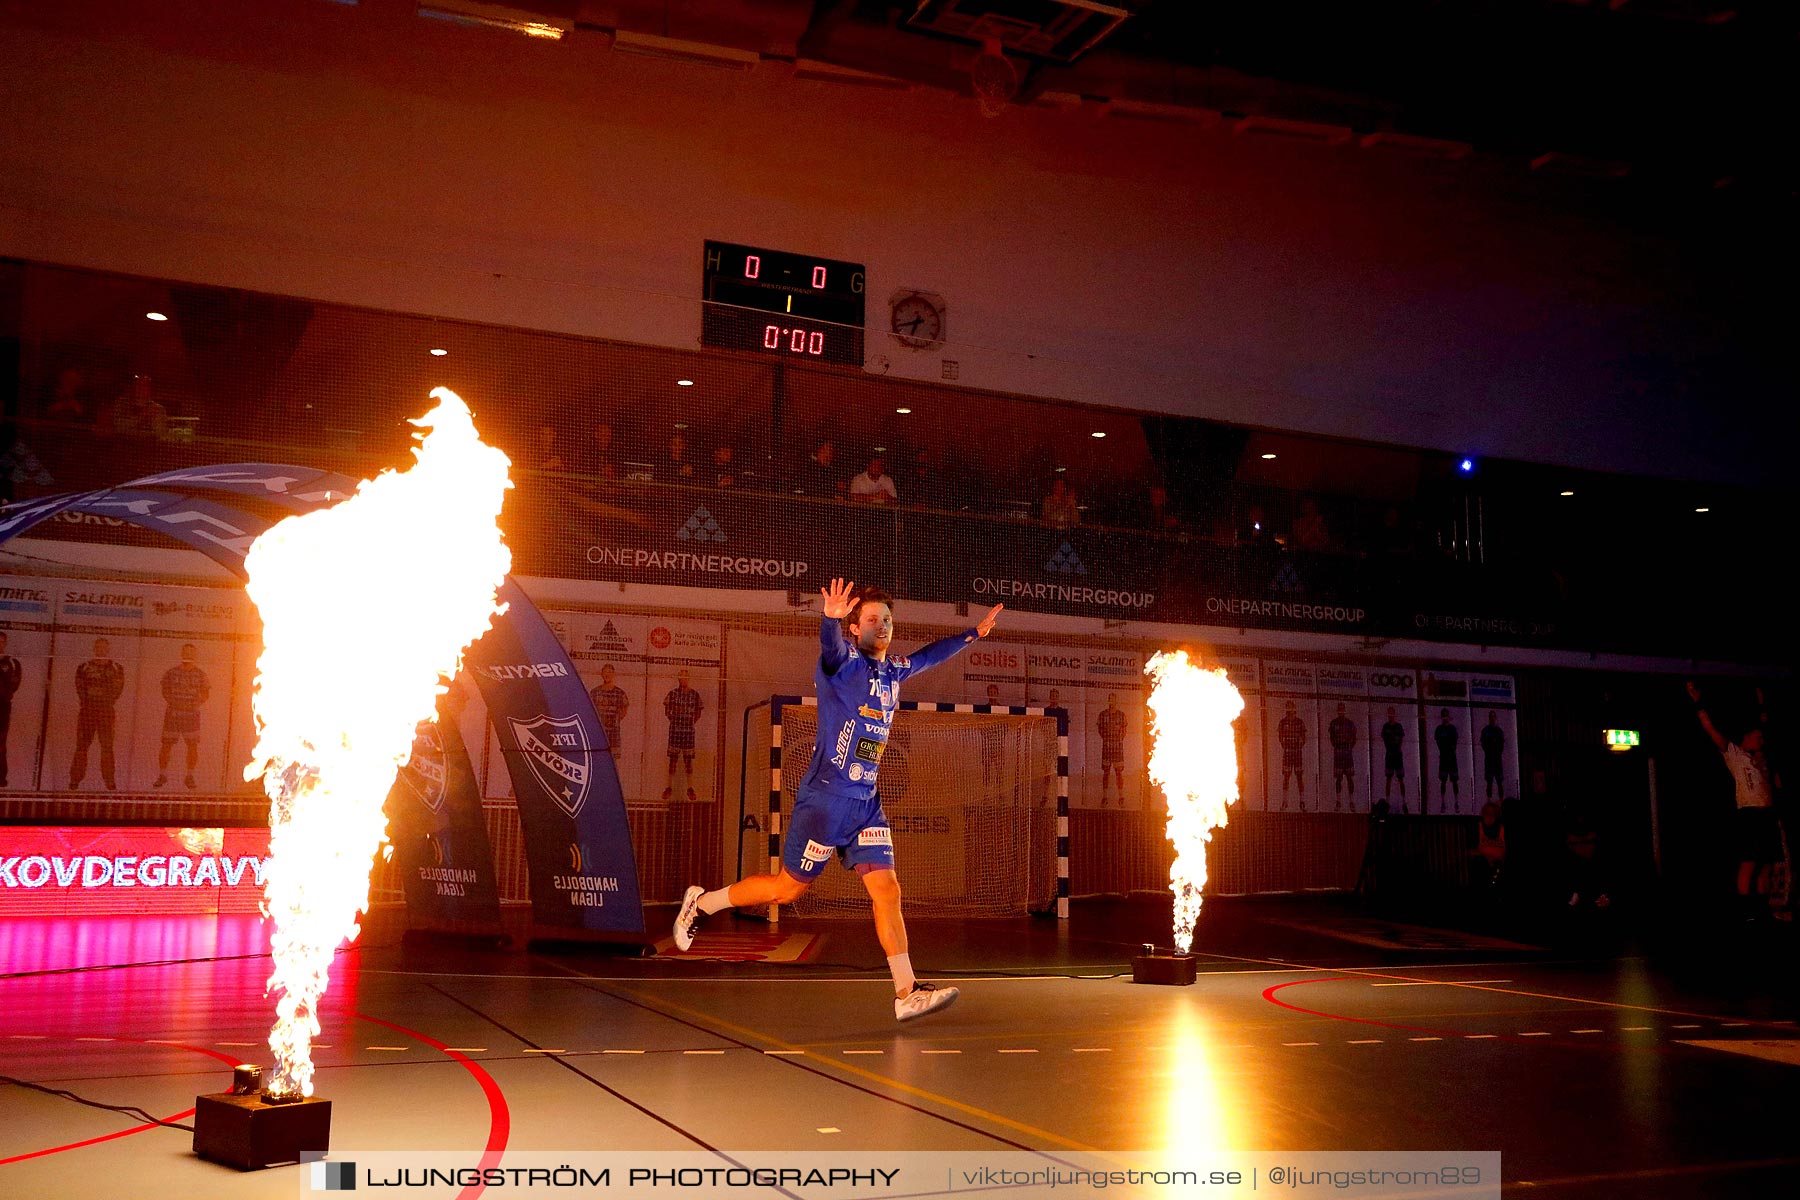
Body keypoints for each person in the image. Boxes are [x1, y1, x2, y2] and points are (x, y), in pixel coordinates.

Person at [674, 579, 1002, 1021]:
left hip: (865, 802)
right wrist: (828, 620)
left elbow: (929, 656)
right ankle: (704, 902)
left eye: (887, 619)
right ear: (854, 629)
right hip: (825, 801)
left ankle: (906, 992)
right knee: (786, 890)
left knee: (887, 890)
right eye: (872, 619)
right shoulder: (843, 665)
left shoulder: (894, 671)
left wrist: (973, 635)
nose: (882, 626)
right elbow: (829, 648)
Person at [1689, 680, 1782, 921]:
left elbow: (1766, 723)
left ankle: (1763, 908)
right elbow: (1710, 729)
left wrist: (1761, 697)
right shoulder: (1735, 753)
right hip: (1749, 812)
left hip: (1767, 812)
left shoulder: (1763, 758)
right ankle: (1745, 909)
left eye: (1761, 737)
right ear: (1746, 737)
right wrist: (1698, 701)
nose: (1760, 739)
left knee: (1767, 863)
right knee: (1749, 861)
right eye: (1756, 736)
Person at [69, 637, 124, 790]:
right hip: (87, 712)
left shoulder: (116, 668)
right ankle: (75, 780)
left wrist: (103, 701)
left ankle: (109, 780)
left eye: (104, 647)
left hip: (106, 712)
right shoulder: (84, 667)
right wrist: (89, 701)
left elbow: (117, 690)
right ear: (94, 648)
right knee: (81, 746)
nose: (101, 650)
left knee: (107, 747)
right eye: (98, 647)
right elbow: (80, 688)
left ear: (108, 649)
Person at [155, 643, 210, 789]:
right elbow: (164, 689)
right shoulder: (171, 673)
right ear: (181, 653)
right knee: (166, 745)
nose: (188, 655)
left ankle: (190, 776)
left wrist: (193, 704)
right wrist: (174, 702)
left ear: (195, 655)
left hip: (191, 715)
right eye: (185, 652)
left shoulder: (200, 674)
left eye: (191, 652)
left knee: (192, 745)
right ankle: (162, 774)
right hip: (173, 714)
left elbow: (206, 693)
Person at [662, 669, 705, 801]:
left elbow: (699, 711)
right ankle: (669, 787)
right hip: (675, 731)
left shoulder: (694, 694)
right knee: (673, 760)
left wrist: (690, 722)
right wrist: (674, 720)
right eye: (681, 677)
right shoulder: (673, 694)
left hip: (688, 732)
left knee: (688, 761)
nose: (683, 680)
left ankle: (690, 787)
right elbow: (666, 709)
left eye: (685, 677)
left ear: (688, 678)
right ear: (678, 679)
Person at [588, 664, 629, 764]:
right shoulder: (595, 692)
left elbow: (625, 707)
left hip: (613, 732)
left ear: (613, 674)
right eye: (605, 672)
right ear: (601, 674)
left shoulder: (619, 693)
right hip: (599, 732)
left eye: (610, 672)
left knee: (613, 760)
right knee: (598, 759)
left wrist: (616, 719)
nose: (607, 675)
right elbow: (589, 709)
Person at [1097, 692, 1127, 808]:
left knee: (1119, 772)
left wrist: (1118, 740)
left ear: (1116, 701)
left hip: (1117, 748)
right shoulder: (1102, 714)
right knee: (1106, 772)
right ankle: (1105, 797)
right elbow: (1100, 729)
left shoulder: (1121, 715)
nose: (1111, 701)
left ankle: (1121, 797)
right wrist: (1107, 739)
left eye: (1113, 699)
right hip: (1107, 747)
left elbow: (1124, 730)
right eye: (1109, 699)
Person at [1277, 700, 1307, 809]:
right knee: (1286, 777)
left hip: (1297, 754)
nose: (1289, 710)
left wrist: (1300, 744)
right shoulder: (1282, 722)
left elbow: (1304, 737)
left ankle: (1302, 801)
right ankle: (1285, 802)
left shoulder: (1299, 722)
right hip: (1287, 754)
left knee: (1299, 776)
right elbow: (1280, 737)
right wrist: (1285, 745)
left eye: (1291, 708)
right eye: (1288, 708)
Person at [1328, 702, 1357, 808]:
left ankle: (1351, 801)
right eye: (1339, 709)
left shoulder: (1350, 723)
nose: (1341, 711)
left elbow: (1354, 738)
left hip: (1348, 755)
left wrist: (1349, 747)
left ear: (1344, 710)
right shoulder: (1333, 723)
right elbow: (1331, 738)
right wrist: (1337, 746)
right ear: (1337, 710)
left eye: (1342, 709)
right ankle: (1338, 801)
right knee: (1339, 779)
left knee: (1350, 778)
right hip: (1338, 755)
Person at [0, 632, 20, 787]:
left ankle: (1, 777)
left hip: (3, 706)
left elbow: (14, 686)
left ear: (5, 643)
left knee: (0, 741)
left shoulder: (12, 663)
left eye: (1, 641)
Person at [1472, 800, 1506, 889]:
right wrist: (1486, 858)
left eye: (1493, 814)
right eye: (1487, 814)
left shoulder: (1503, 829)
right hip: (1482, 866)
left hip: (1500, 866)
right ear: (1483, 815)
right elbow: (1470, 850)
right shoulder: (1477, 828)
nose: (1490, 817)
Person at [1380, 706, 1408, 809]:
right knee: (1388, 779)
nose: (1390, 715)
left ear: (1394, 714)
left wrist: (1397, 750)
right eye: (1389, 713)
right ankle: (1387, 802)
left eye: (1392, 713)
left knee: (1401, 779)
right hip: (1389, 756)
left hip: (1397, 756)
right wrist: (1389, 750)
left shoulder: (1398, 726)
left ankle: (1404, 802)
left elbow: (1401, 740)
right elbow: (1384, 739)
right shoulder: (1385, 727)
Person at [1434, 709, 1460, 810]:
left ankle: (1456, 802)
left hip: (1452, 759)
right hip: (1443, 759)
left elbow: (1455, 743)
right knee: (1443, 781)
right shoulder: (1439, 729)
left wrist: (1450, 749)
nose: (1445, 717)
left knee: (1454, 781)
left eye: (1446, 715)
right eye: (1443, 715)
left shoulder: (1453, 729)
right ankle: (1443, 803)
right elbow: (1438, 743)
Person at [1480, 711, 1506, 800]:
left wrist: (1497, 752)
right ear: (1489, 718)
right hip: (1489, 760)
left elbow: (1502, 744)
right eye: (1491, 717)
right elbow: (1483, 743)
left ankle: (1501, 801)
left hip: (1497, 760)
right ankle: (1489, 801)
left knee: (1499, 782)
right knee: (1489, 782)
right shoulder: (1485, 730)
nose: (1492, 719)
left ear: (1496, 718)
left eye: (1494, 717)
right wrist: (1488, 751)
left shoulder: (1499, 731)